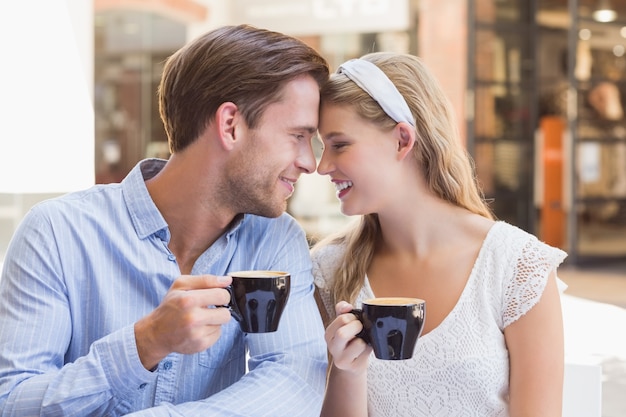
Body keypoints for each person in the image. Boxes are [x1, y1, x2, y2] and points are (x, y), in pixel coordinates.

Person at [0, 24, 329, 416]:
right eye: (297, 136)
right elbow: (11, 402)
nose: (311, 162)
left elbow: (296, 380)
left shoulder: (275, 240)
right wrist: (145, 343)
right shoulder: (56, 232)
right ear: (230, 126)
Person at [311, 52, 567, 417]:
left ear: (402, 140)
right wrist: (348, 371)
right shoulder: (329, 270)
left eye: (339, 145)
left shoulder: (517, 267)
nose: (322, 167)